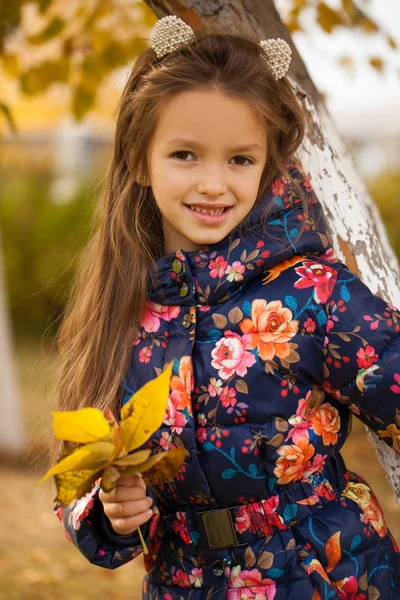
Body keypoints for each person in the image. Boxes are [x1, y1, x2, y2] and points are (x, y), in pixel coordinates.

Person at [50, 15, 400, 600]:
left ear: (266, 165)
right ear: (139, 160)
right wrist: (109, 511)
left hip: (328, 574)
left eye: (239, 159)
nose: (214, 183)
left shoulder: (313, 293)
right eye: (185, 154)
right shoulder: (116, 311)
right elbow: (77, 479)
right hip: (183, 583)